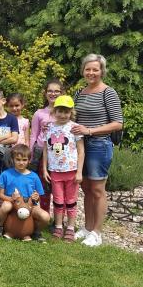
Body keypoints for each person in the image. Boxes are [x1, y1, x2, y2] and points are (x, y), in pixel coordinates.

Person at [71, 54, 123, 247]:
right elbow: (72, 117)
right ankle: (87, 228)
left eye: (95, 69)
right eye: (88, 69)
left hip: (99, 145)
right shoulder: (79, 93)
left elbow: (118, 123)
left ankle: (97, 233)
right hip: (80, 146)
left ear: (102, 71)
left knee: (98, 189)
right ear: (83, 71)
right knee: (86, 188)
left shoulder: (108, 93)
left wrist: (90, 130)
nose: (91, 72)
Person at [41, 95, 84, 242]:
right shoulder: (49, 128)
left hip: (71, 171)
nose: (63, 115)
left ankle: (70, 228)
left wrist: (79, 172)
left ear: (71, 112)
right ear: (54, 111)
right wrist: (45, 169)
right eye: (60, 111)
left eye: (66, 112)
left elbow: (81, 151)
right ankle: (58, 226)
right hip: (55, 171)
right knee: (58, 201)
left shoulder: (74, 128)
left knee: (71, 201)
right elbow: (46, 149)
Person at [0, 145, 50, 241]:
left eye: (24, 160)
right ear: (13, 159)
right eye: (18, 159)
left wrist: (36, 197)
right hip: (12, 203)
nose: (21, 163)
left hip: (30, 206)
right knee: (6, 206)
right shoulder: (6, 174)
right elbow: (0, 195)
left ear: (29, 160)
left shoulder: (34, 176)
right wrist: (11, 199)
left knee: (45, 217)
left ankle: (36, 232)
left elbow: (38, 197)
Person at [30, 80, 64, 213]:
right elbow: (33, 135)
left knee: (58, 186)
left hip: (59, 154)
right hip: (40, 153)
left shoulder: (66, 113)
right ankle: (43, 215)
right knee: (42, 185)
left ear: (61, 93)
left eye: (56, 91)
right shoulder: (39, 113)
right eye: (50, 91)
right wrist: (30, 155)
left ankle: (59, 217)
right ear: (45, 93)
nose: (53, 94)